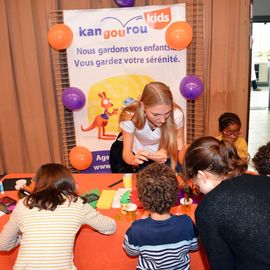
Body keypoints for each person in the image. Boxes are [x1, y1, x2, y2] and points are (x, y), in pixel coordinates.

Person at [0, 163, 116, 270]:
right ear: (70, 183)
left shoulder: (23, 204)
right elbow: (110, 227)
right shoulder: (77, 204)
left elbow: (3, 244)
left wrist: (21, 236)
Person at [183, 136, 270, 270]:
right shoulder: (262, 180)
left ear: (201, 175)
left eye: (194, 182)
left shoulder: (208, 209)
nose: (196, 187)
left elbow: (222, 265)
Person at [123, 162, 198, 270]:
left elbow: (131, 252)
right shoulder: (187, 223)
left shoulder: (137, 229)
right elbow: (194, 246)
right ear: (175, 195)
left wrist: (142, 219)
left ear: (142, 198)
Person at [110, 81, 184, 173]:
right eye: (156, 114)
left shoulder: (176, 114)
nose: (162, 120)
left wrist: (167, 153)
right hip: (137, 155)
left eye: (167, 113)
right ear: (143, 106)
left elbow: (178, 143)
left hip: (165, 157)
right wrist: (134, 160)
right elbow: (127, 153)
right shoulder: (130, 116)